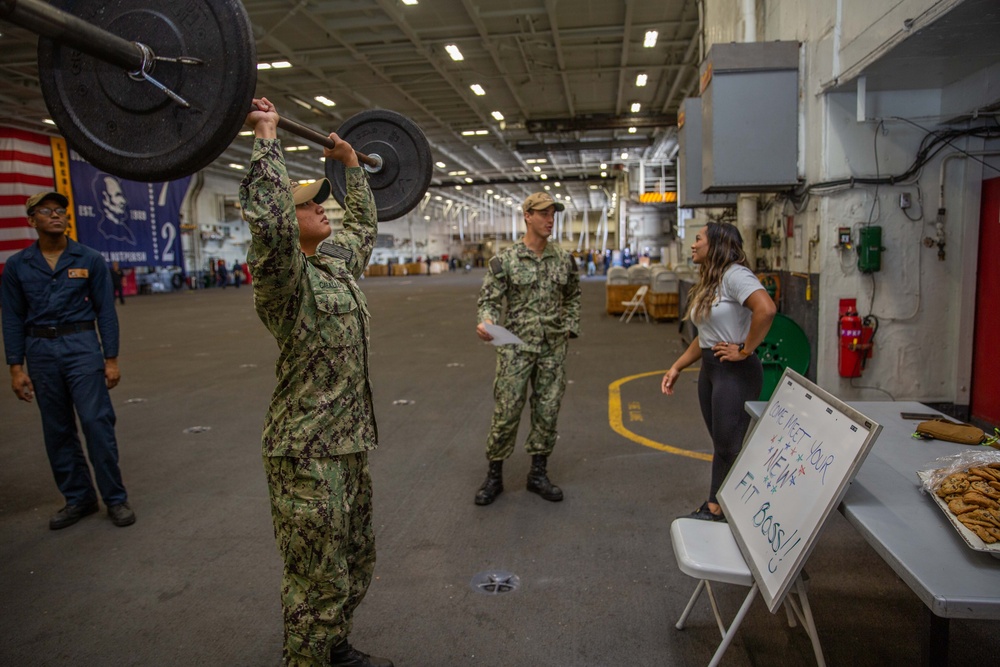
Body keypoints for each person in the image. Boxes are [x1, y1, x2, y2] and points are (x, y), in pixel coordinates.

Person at [240, 97, 391, 667]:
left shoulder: (334, 264)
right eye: (312, 204)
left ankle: (335, 648)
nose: (324, 207)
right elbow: (271, 222)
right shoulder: (284, 279)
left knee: (355, 560)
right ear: (290, 215)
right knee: (315, 578)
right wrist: (268, 137)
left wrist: (351, 166)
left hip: (348, 445)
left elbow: (366, 229)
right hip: (305, 452)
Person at [1, 191, 135, 530]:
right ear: (32, 220)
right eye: (46, 211)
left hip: (81, 346)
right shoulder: (18, 265)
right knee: (57, 429)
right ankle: (79, 498)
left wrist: (111, 359)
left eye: (60, 210)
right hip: (40, 351)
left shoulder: (88, 259)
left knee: (96, 422)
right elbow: (13, 318)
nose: (56, 215)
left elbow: (106, 312)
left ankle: (115, 499)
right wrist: (16, 368)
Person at [661, 222, 776, 521]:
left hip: (735, 372)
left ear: (716, 244)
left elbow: (766, 309)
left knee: (728, 443)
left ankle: (716, 507)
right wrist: (677, 366)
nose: (693, 244)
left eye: (698, 239)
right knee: (724, 444)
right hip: (711, 371)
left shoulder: (736, 275)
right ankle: (731, 503)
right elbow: (705, 337)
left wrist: (745, 350)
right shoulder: (712, 282)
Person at [474, 192, 581, 506]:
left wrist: (570, 325)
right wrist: (487, 320)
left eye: (553, 214)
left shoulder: (564, 259)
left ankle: (538, 473)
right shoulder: (505, 260)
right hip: (515, 347)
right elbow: (489, 300)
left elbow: (573, 295)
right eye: (544, 213)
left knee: (547, 411)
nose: (550, 220)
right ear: (528, 217)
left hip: (552, 348)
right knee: (507, 412)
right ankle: (494, 474)